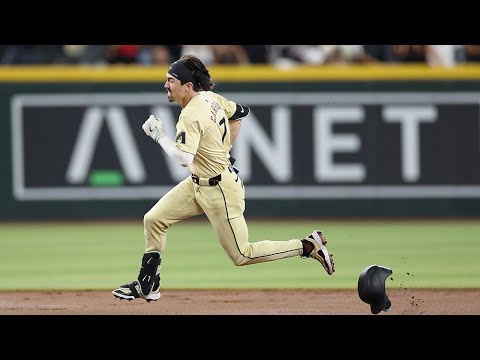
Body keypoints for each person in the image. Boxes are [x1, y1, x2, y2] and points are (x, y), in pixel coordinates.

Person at [112, 54, 335, 302]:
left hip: (220, 190)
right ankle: (148, 284)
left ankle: (306, 246)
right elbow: (239, 112)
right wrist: (222, 149)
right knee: (154, 219)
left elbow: (184, 158)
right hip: (198, 182)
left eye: (171, 80)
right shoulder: (211, 98)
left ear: (187, 86)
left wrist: (159, 136)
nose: (166, 84)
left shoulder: (191, 114)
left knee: (243, 255)